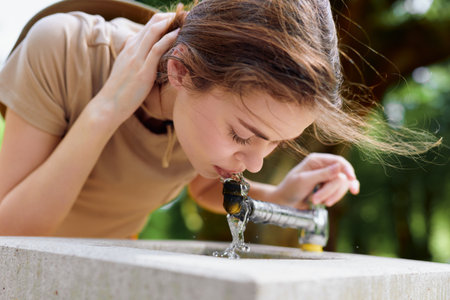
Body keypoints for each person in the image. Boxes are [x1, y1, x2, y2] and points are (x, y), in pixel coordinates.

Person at [0, 0, 437, 238]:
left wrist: (281, 195)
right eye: (243, 135)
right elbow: (12, 233)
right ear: (180, 72)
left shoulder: (205, 127)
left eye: (275, 143)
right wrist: (107, 110)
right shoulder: (66, 50)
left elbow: (205, 186)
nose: (255, 163)